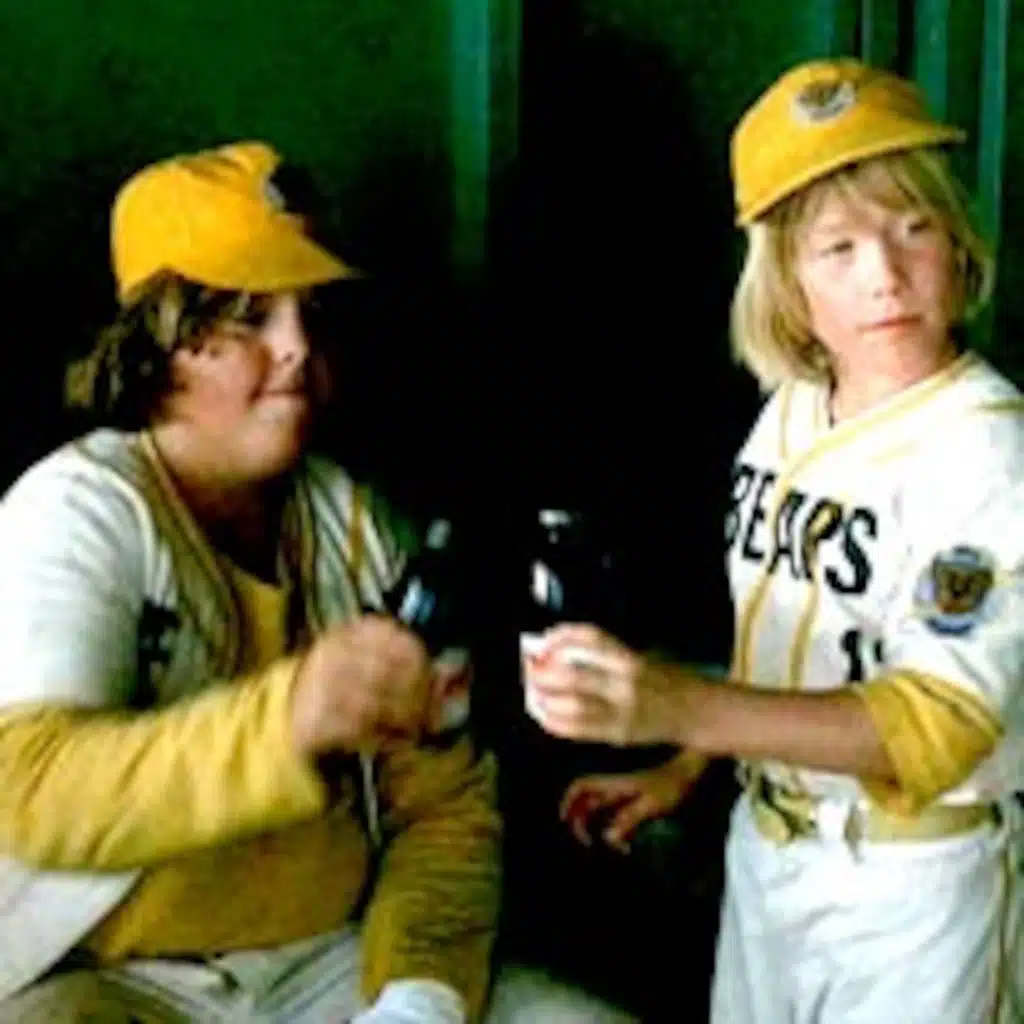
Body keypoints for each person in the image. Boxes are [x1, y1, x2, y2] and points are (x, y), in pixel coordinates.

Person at [0, 141, 635, 1023]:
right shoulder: (78, 509)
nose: (296, 348)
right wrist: (287, 720)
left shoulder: (358, 523)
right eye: (250, 318)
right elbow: (32, 791)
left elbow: (444, 807)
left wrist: (417, 999)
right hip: (115, 974)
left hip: (329, 961)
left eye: (310, 312)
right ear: (160, 341)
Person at [523, 57, 1024, 1023]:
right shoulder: (793, 409)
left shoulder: (989, 450)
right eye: (838, 248)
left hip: (913, 890)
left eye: (913, 226)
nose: (885, 275)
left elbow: (932, 724)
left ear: (957, 241)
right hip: (769, 853)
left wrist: (679, 706)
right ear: (787, 282)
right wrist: (689, 763)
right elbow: (792, 641)